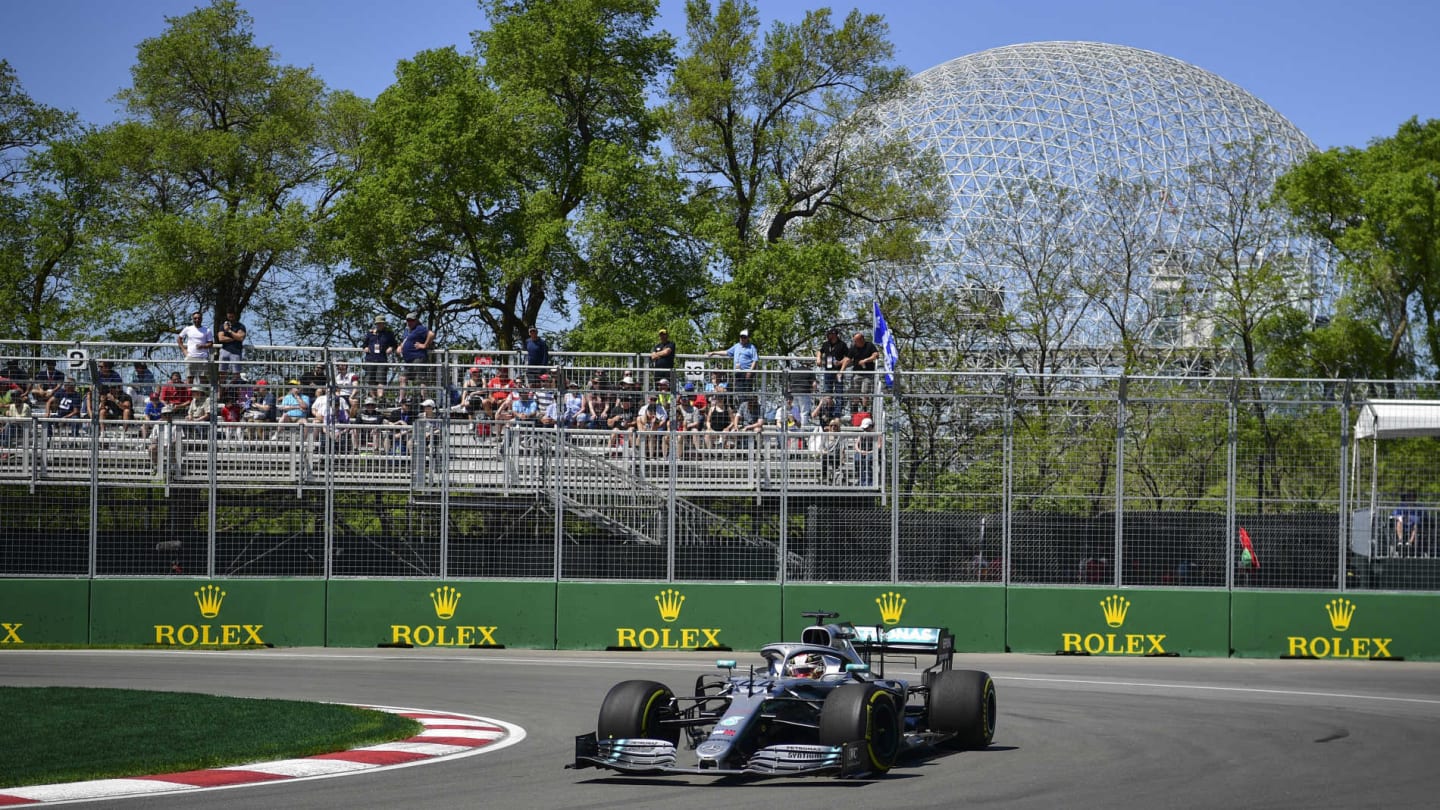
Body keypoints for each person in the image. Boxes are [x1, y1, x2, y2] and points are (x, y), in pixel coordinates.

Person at [707, 329, 758, 393]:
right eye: (741, 337)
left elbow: (755, 360)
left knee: (747, 390)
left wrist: (750, 371)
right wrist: (714, 352)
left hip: (747, 372)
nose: (742, 338)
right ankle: (741, 402)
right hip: (738, 372)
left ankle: (745, 402)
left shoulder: (752, 347)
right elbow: (726, 352)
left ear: (747, 338)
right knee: (739, 390)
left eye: (744, 337)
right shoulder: (736, 346)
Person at [840, 330, 880, 401]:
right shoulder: (853, 348)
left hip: (868, 373)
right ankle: (855, 410)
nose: (854, 342)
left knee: (865, 392)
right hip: (857, 373)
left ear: (861, 339)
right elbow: (847, 359)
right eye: (854, 341)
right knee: (855, 391)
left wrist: (865, 360)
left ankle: (865, 410)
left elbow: (875, 355)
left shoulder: (869, 345)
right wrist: (841, 371)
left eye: (856, 340)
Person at [362, 315, 398, 388]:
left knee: (381, 380)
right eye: (377, 323)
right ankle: (373, 398)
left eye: (381, 323)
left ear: (384, 324)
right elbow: (364, 344)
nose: (379, 325)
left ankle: (380, 398)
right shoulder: (370, 333)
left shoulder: (389, 334)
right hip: (370, 359)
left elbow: (395, 345)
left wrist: (391, 348)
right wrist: (365, 348)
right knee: (370, 380)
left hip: (382, 360)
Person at [177, 312, 214, 384]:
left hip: (203, 357)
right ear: (192, 319)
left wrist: (203, 346)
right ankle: (188, 395)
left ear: (202, 319)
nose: (197, 320)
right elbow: (179, 339)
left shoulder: (207, 330)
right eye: (195, 318)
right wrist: (184, 350)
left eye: (199, 318)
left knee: (203, 378)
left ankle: (203, 395)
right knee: (190, 378)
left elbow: (210, 343)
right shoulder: (188, 329)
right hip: (191, 356)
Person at [399, 312, 434, 384]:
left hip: (418, 358)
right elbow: (405, 340)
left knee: (421, 380)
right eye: (408, 320)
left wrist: (424, 345)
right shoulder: (406, 330)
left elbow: (431, 334)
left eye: (412, 320)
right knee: (403, 378)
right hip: (408, 360)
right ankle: (401, 396)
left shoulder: (420, 328)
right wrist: (401, 347)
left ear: (416, 321)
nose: (409, 322)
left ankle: (423, 395)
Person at [215, 311, 246, 383]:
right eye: (229, 316)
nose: (230, 317)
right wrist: (234, 338)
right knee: (222, 373)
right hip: (224, 350)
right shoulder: (222, 326)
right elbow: (221, 338)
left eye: (232, 316)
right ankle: (220, 393)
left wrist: (229, 331)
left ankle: (234, 392)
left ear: (235, 315)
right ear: (227, 315)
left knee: (236, 374)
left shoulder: (241, 326)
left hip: (236, 352)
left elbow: (240, 338)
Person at [816, 328, 848, 395]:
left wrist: (840, 362)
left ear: (834, 335)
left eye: (829, 334)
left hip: (838, 371)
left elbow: (848, 357)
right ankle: (829, 405)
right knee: (827, 391)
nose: (827, 336)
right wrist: (818, 358)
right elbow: (820, 351)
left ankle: (839, 406)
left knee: (839, 391)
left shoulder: (842, 344)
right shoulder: (826, 344)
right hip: (828, 371)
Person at [854, 416, 879, 487]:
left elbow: (879, 446)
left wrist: (869, 452)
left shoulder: (876, 434)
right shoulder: (862, 434)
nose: (865, 429)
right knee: (857, 460)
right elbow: (856, 445)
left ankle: (870, 481)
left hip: (872, 452)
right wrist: (860, 451)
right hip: (862, 451)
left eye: (867, 428)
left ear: (871, 426)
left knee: (868, 460)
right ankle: (861, 479)